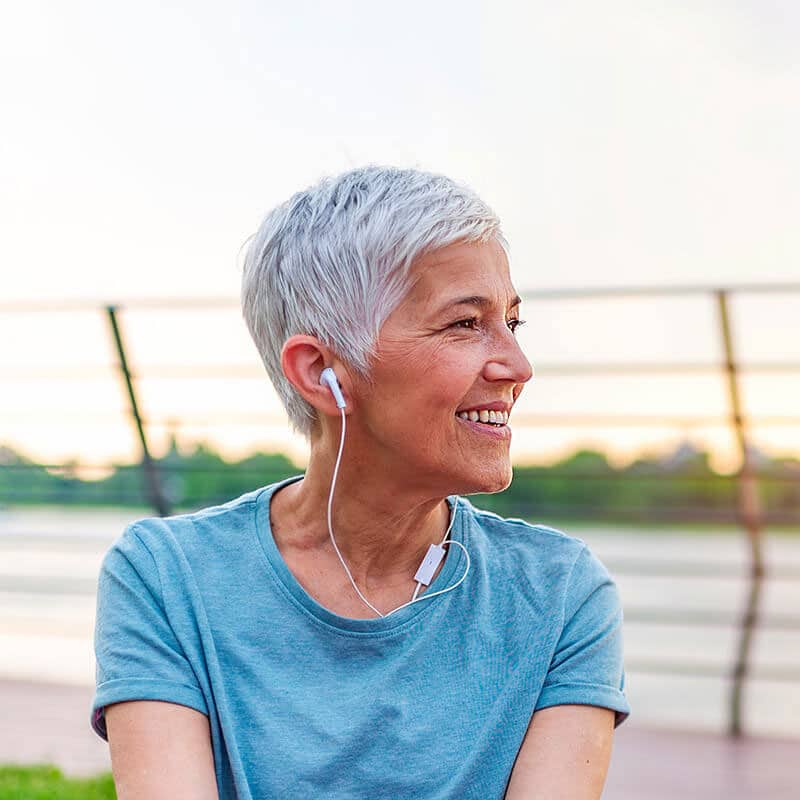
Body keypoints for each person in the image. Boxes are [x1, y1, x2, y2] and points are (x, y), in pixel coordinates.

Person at [90, 165, 631, 799]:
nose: (518, 365)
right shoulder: (166, 578)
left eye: (512, 323)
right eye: (464, 323)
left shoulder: (560, 594)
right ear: (323, 373)